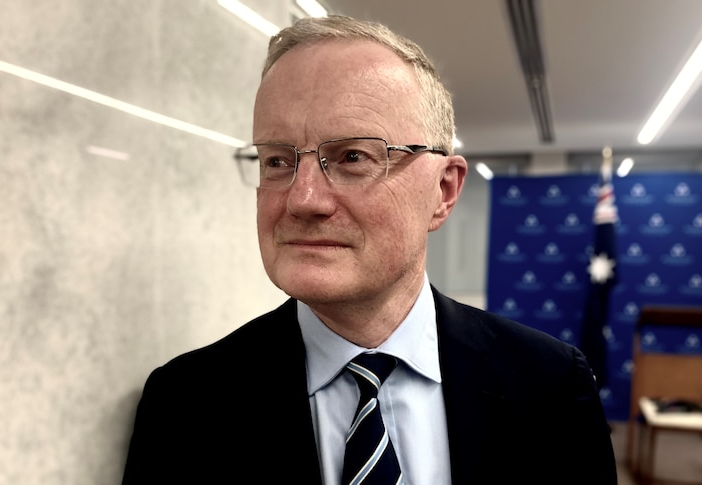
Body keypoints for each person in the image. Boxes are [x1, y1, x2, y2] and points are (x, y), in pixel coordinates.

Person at [122, 15, 617, 484]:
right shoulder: (183, 403)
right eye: (276, 160)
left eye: (353, 156)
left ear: (443, 191)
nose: (303, 199)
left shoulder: (551, 385)